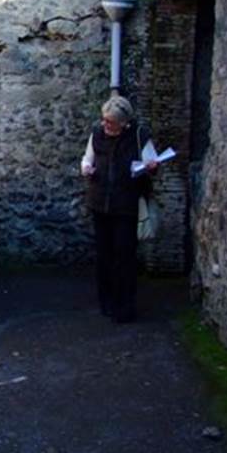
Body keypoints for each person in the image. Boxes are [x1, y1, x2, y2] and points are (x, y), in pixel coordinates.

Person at [80, 96, 157, 323]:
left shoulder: (138, 135)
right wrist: (87, 169)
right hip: (100, 201)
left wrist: (150, 167)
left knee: (124, 255)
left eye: (111, 122)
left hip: (126, 204)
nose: (106, 126)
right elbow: (87, 158)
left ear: (124, 123)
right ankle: (106, 302)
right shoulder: (97, 133)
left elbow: (151, 162)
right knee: (104, 255)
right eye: (105, 121)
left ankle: (125, 305)